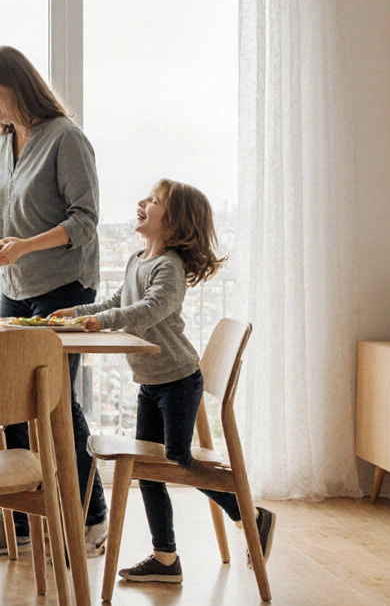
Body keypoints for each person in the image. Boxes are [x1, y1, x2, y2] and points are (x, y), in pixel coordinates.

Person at [57, 179, 276, 583]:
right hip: (150, 382)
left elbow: (150, 309)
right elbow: (117, 303)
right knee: (148, 471)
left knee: (177, 462)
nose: (142, 202)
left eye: (154, 201)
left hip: (178, 379)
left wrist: (99, 322)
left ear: (173, 225)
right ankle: (166, 559)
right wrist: (75, 312)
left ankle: (248, 513)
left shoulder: (168, 267)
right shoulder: (138, 260)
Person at [0, 45, 109, 558]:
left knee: (54, 405)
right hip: (15, 290)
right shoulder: (1, 144)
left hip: (64, 290)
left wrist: (23, 245)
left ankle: (92, 516)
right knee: (10, 403)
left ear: (14, 85)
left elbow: (84, 222)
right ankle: (20, 523)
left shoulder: (66, 139)